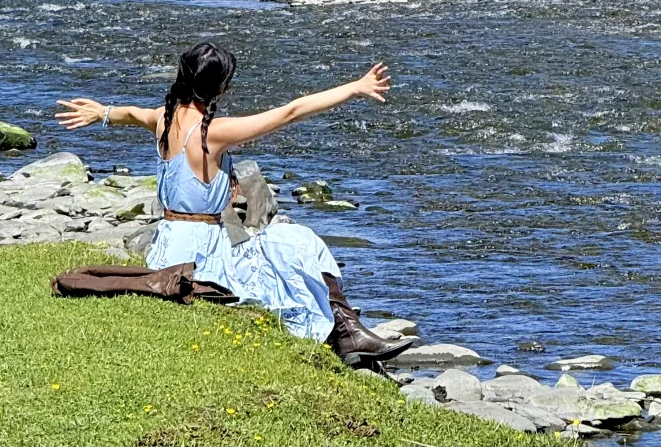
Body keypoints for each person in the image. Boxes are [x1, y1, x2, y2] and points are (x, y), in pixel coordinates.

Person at [56, 41, 407, 366]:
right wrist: (354, 88)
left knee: (280, 247)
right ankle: (347, 332)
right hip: (202, 251)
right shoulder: (212, 132)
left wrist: (103, 112)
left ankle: (348, 332)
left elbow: (132, 114)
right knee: (298, 240)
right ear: (219, 87)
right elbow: (290, 112)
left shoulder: (163, 118)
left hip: (167, 247)